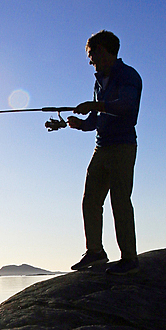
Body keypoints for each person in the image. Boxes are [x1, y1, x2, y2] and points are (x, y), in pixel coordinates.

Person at [68, 30, 142, 275]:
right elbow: (95, 120)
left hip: (123, 147)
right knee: (90, 201)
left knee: (120, 201)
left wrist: (96, 106)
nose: (91, 61)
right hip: (101, 147)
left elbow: (126, 107)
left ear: (106, 50)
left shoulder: (128, 75)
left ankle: (129, 258)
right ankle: (96, 252)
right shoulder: (98, 81)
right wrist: (81, 124)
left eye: (92, 54)